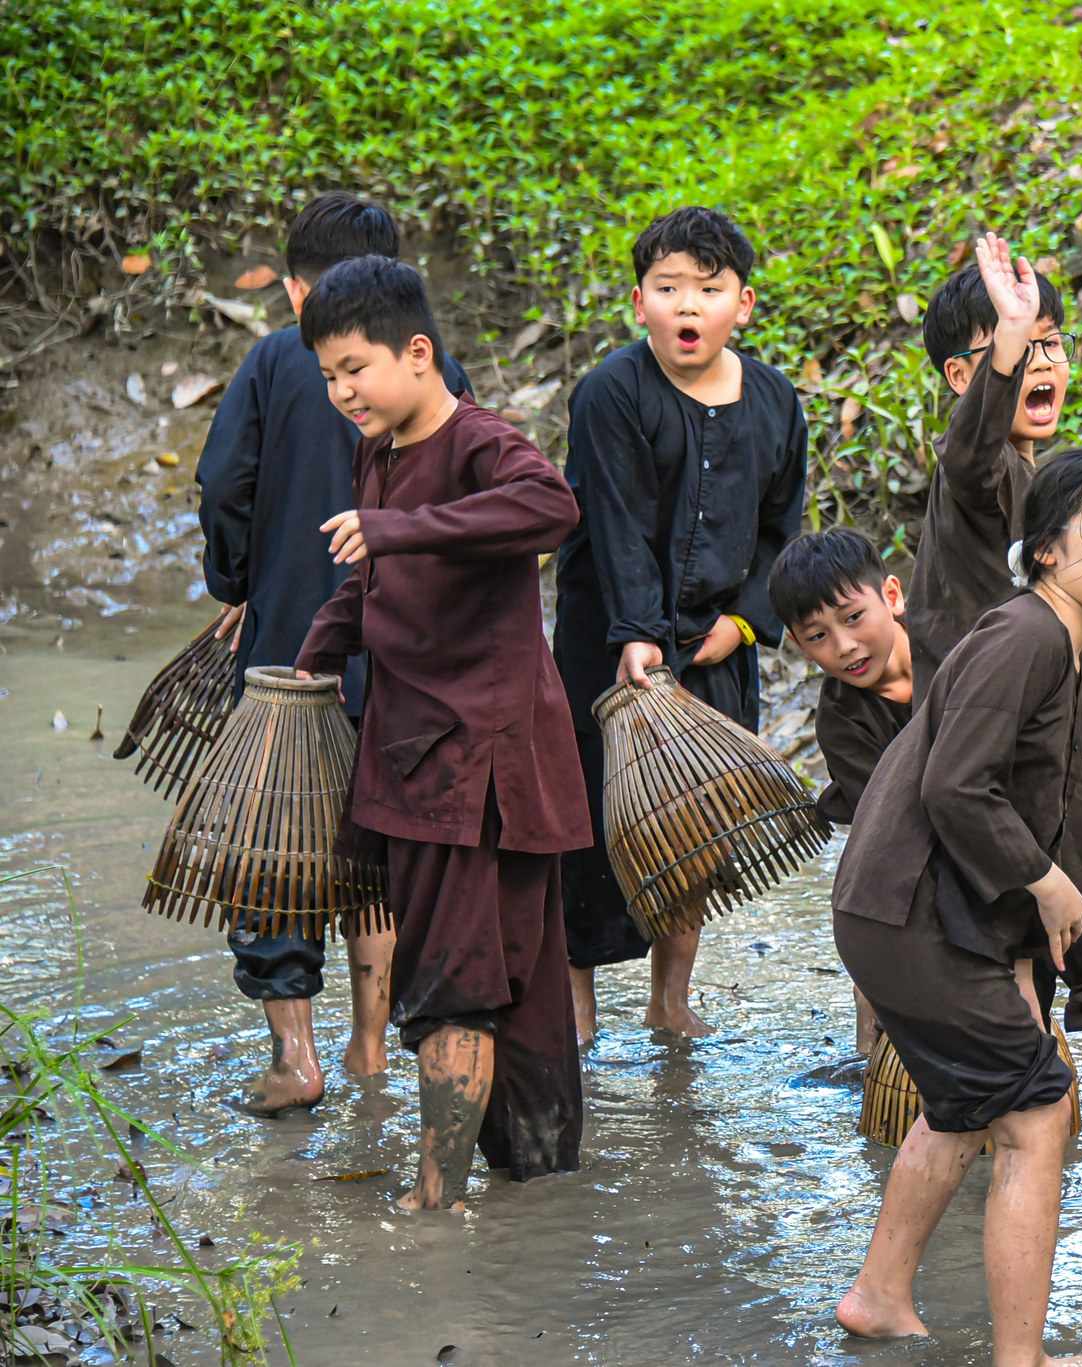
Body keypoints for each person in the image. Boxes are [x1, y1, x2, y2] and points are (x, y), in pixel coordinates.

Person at [832, 448, 1082, 1367]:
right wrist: (1048, 881)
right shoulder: (1027, 635)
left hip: (899, 910)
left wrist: (1018, 935)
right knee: (1037, 1111)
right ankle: (1022, 1360)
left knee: (967, 1102)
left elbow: (1002, 794)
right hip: (909, 914)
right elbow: (957, 787)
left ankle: (879, 1294)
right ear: (1048, 549)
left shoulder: (1049, 639)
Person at [294, 256, 587, 1211]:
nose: (342, 393)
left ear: (418, 353)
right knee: (508, 979)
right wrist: (319, 652)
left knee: (462, 982)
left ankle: (434, 1202)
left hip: (481, 767)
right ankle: (541, 1195)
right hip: (417, 751)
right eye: (329, 376)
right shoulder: (375, 450)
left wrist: (401, 529)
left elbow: (553, 506)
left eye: (355, 369)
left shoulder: (479, 441)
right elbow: (372, 572)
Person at [196, 192, 472, 1116]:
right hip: (400, 658)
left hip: (290, 650)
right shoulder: (436, 373)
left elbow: (225, 481)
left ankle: (294, 1057)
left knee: (276, 845)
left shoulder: (279, 359)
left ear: (294, 287)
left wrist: (236, 582)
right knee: (379, 843)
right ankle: (369, 1044)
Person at [907, 232, 1082, 1208]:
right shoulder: (978, 477)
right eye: (1018, 347)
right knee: (1015, 961)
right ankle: (1038, 1170)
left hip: (1060, 762)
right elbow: (971, 443)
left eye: (1054, 341)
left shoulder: (1043, 486)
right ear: (963, 375)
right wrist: (1007, 339)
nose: (1044, 362)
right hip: (987, 778)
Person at [550, 206, 807, 1048]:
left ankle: (670, 997)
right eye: (668, 289)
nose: (687, 307)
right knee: (587, 820)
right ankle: (577, 1004)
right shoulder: (611, 394)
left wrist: (744, 623)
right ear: (638, 302)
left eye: (708, 289)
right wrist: (637, 634)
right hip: (607, 642)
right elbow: (616, 522)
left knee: (694, 825)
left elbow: (781, 529)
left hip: (715, 643)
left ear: (745, 304)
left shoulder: (774, 402)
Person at [768, 527, 913, 1053]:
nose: (845, 646)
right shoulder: (841, 720)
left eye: (854, 618)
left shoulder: (955, 652)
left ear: (892, 597)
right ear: (799, 646)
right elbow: (894, 825)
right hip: (899, 852)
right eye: (818, 636)